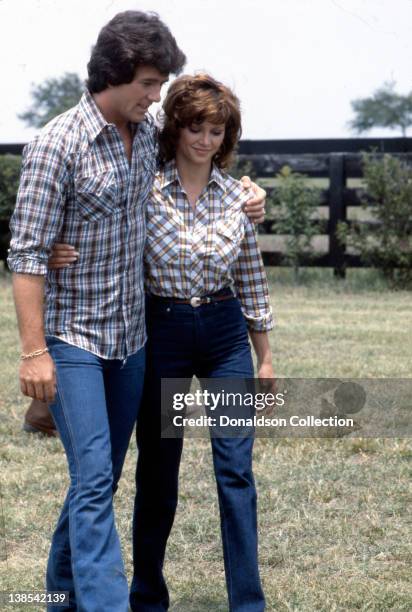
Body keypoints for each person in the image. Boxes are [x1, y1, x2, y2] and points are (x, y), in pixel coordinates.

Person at [8, 11, 185, 611]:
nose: (155, 96)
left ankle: (56, 599)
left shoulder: (152, 131)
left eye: (160, 85)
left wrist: (247, 192)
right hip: (73, 339)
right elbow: (27, 255)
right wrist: (34, 353)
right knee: (92, 480)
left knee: (100, 480)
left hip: (130, 339)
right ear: (112, 76)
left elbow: (204, 151)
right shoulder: (57, 144)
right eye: (147, 84)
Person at [129, 74, 274, 611]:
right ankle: (147, 597)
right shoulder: (146, 188)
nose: (205, 140)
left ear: (226, 136)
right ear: (176, 128)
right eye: (195, 127)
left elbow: (251, 275)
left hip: (223, 333)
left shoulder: (241, 197)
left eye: (216, 130)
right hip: (162, 332)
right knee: (158, 468)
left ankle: (248, 603)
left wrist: (265, 356)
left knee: (235, 468)